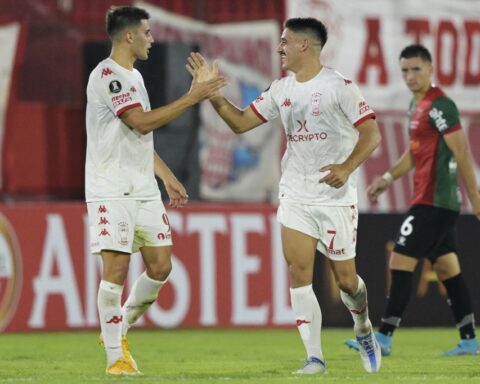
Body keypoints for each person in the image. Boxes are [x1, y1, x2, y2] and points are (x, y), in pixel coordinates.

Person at [186, 17, 382, 374]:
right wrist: (212, 95)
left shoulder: (340, 87)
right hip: (295, 193)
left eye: (285, 41)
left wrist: (346, 167)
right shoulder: (280, 89)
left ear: (304, 45)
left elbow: (372, 135)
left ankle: (364, 327)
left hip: (335, 197)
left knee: (346, 282)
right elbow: (242, 122)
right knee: (298, 270)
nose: (279, 48)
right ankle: (315, 359)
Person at [85, 6, 225, 375]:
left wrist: (165, 175)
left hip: (143, 188)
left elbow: (138, 137)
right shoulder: (107, 76)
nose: (152, 38)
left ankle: (119, 325)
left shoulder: (135, 77)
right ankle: (116, 358)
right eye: (146, 32)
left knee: (161, 266)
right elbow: (140, 121)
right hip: (111, 189)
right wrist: (193, 97)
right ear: (129, 36)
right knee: (115, 269)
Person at [344, 44, 480, 357]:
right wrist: (388, 178)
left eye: (416, 69)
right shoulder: (415, 106)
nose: (409, 76)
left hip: (434, 203)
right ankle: (469, 340)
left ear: (431, 69)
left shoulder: (440, 106)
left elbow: (462, 152)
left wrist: (475, 198)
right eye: (404, 70)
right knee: (448, 270)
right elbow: (413, 152)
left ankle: (384, 338)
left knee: (400, 261)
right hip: (434, 203)